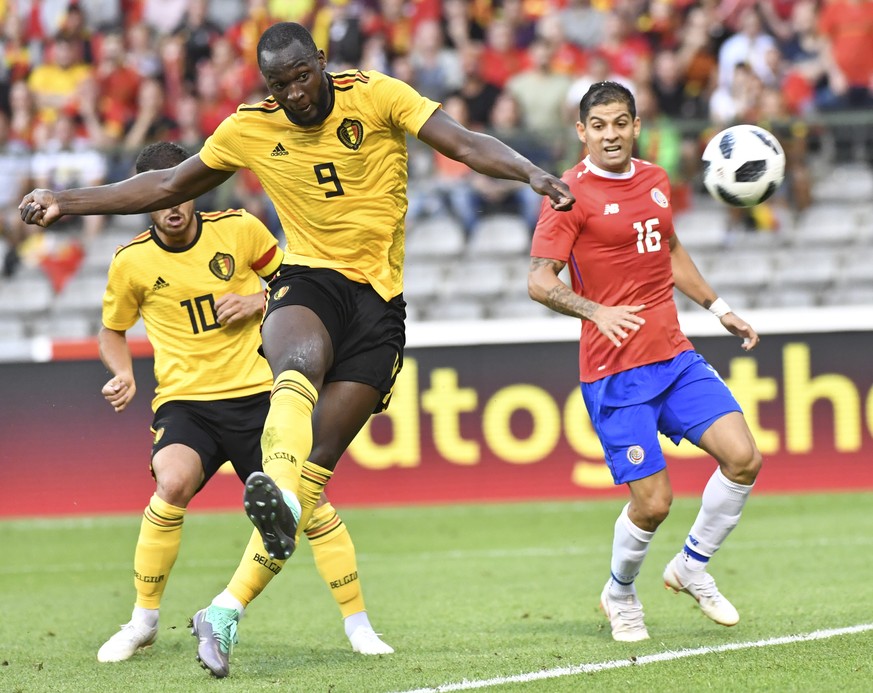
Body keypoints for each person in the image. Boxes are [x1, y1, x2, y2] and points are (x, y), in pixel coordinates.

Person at [19, 22, 574, 677]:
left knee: (313, 472)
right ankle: (271, 498)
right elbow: (168, 185)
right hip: (308, 277)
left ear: (321, 63)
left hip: (379, 308)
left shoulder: (377, 95)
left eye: (301, 77)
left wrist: (530, 171)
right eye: (278, 86)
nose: (293, 94)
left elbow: (461, 141)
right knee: (295, 362)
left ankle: (225, 607)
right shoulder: (249, 126)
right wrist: (69, 200)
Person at [94, 141, 393, 671]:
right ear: (142, 200)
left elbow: (294, 281)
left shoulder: (240, 228)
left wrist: (257, 301)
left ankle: (358, 624)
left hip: (260, 396)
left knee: (308, 506)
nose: (172, 203)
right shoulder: (131, 262)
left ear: (195, 188)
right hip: (188, 402)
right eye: (159, 193)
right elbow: (112, 330)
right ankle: (142, 620)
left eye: (181, 187)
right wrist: (122, 372)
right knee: (172, 482)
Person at [528, 81, 763, 643]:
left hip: (674, 356)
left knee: (744, 458)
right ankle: (620, 591)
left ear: (637, 126)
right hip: (615, 372)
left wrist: (718, 306)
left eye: (621, 123)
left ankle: (690, 566)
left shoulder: (655, 181)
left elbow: (670, 249)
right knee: (654, 503)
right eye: (599, 125)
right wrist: (595, 311)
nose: (611, 134)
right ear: (582, 131)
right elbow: (539, 281)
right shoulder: (568, 194)